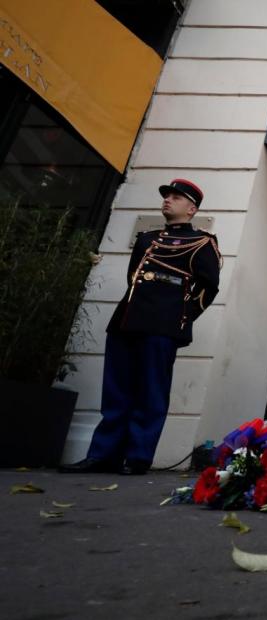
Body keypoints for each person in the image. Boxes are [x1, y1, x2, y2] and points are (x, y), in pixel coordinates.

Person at [61, 179, 221, 475]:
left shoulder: (202, 242)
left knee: (151, 393)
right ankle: (103, 455)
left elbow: (208, 288)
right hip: (127, 320)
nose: (167, 200)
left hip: (162, 325)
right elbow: (133, 277)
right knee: (116, 391)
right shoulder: (147, 239)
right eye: (166, 196)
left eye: (175, 197)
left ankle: (137, 457)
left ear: (192, 208)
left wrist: (180, 318)